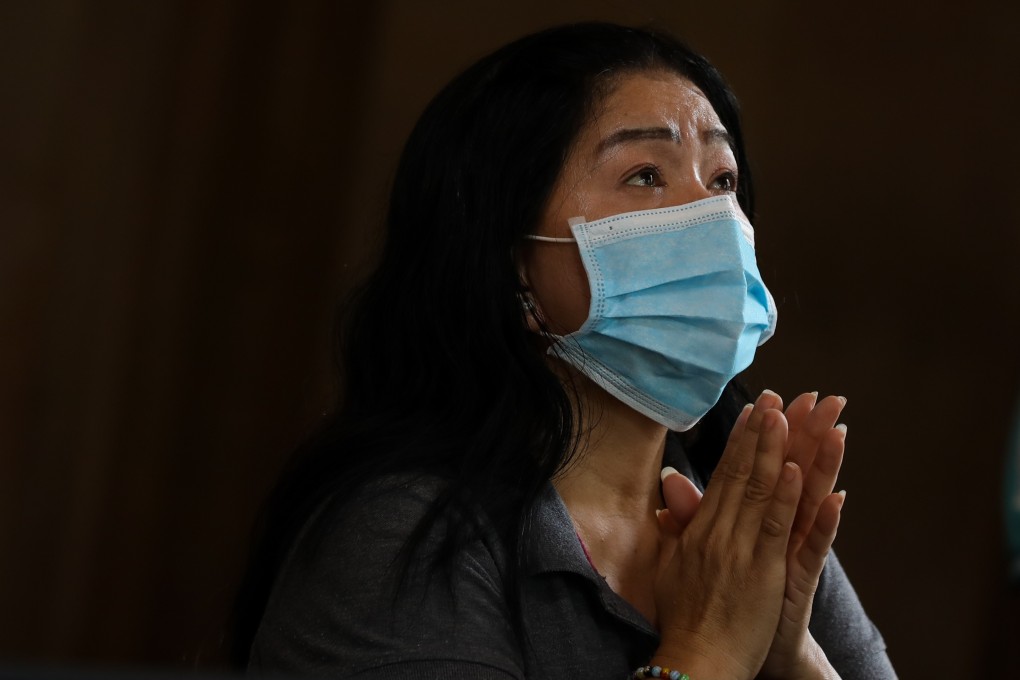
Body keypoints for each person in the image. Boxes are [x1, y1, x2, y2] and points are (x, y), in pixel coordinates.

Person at [233, 22, 896, 679]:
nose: (713, 216)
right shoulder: (404, 536)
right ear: (511, 263)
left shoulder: (746, 523)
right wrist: (709, 650)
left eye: (723, 181)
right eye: (643, 175)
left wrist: (795, 656)